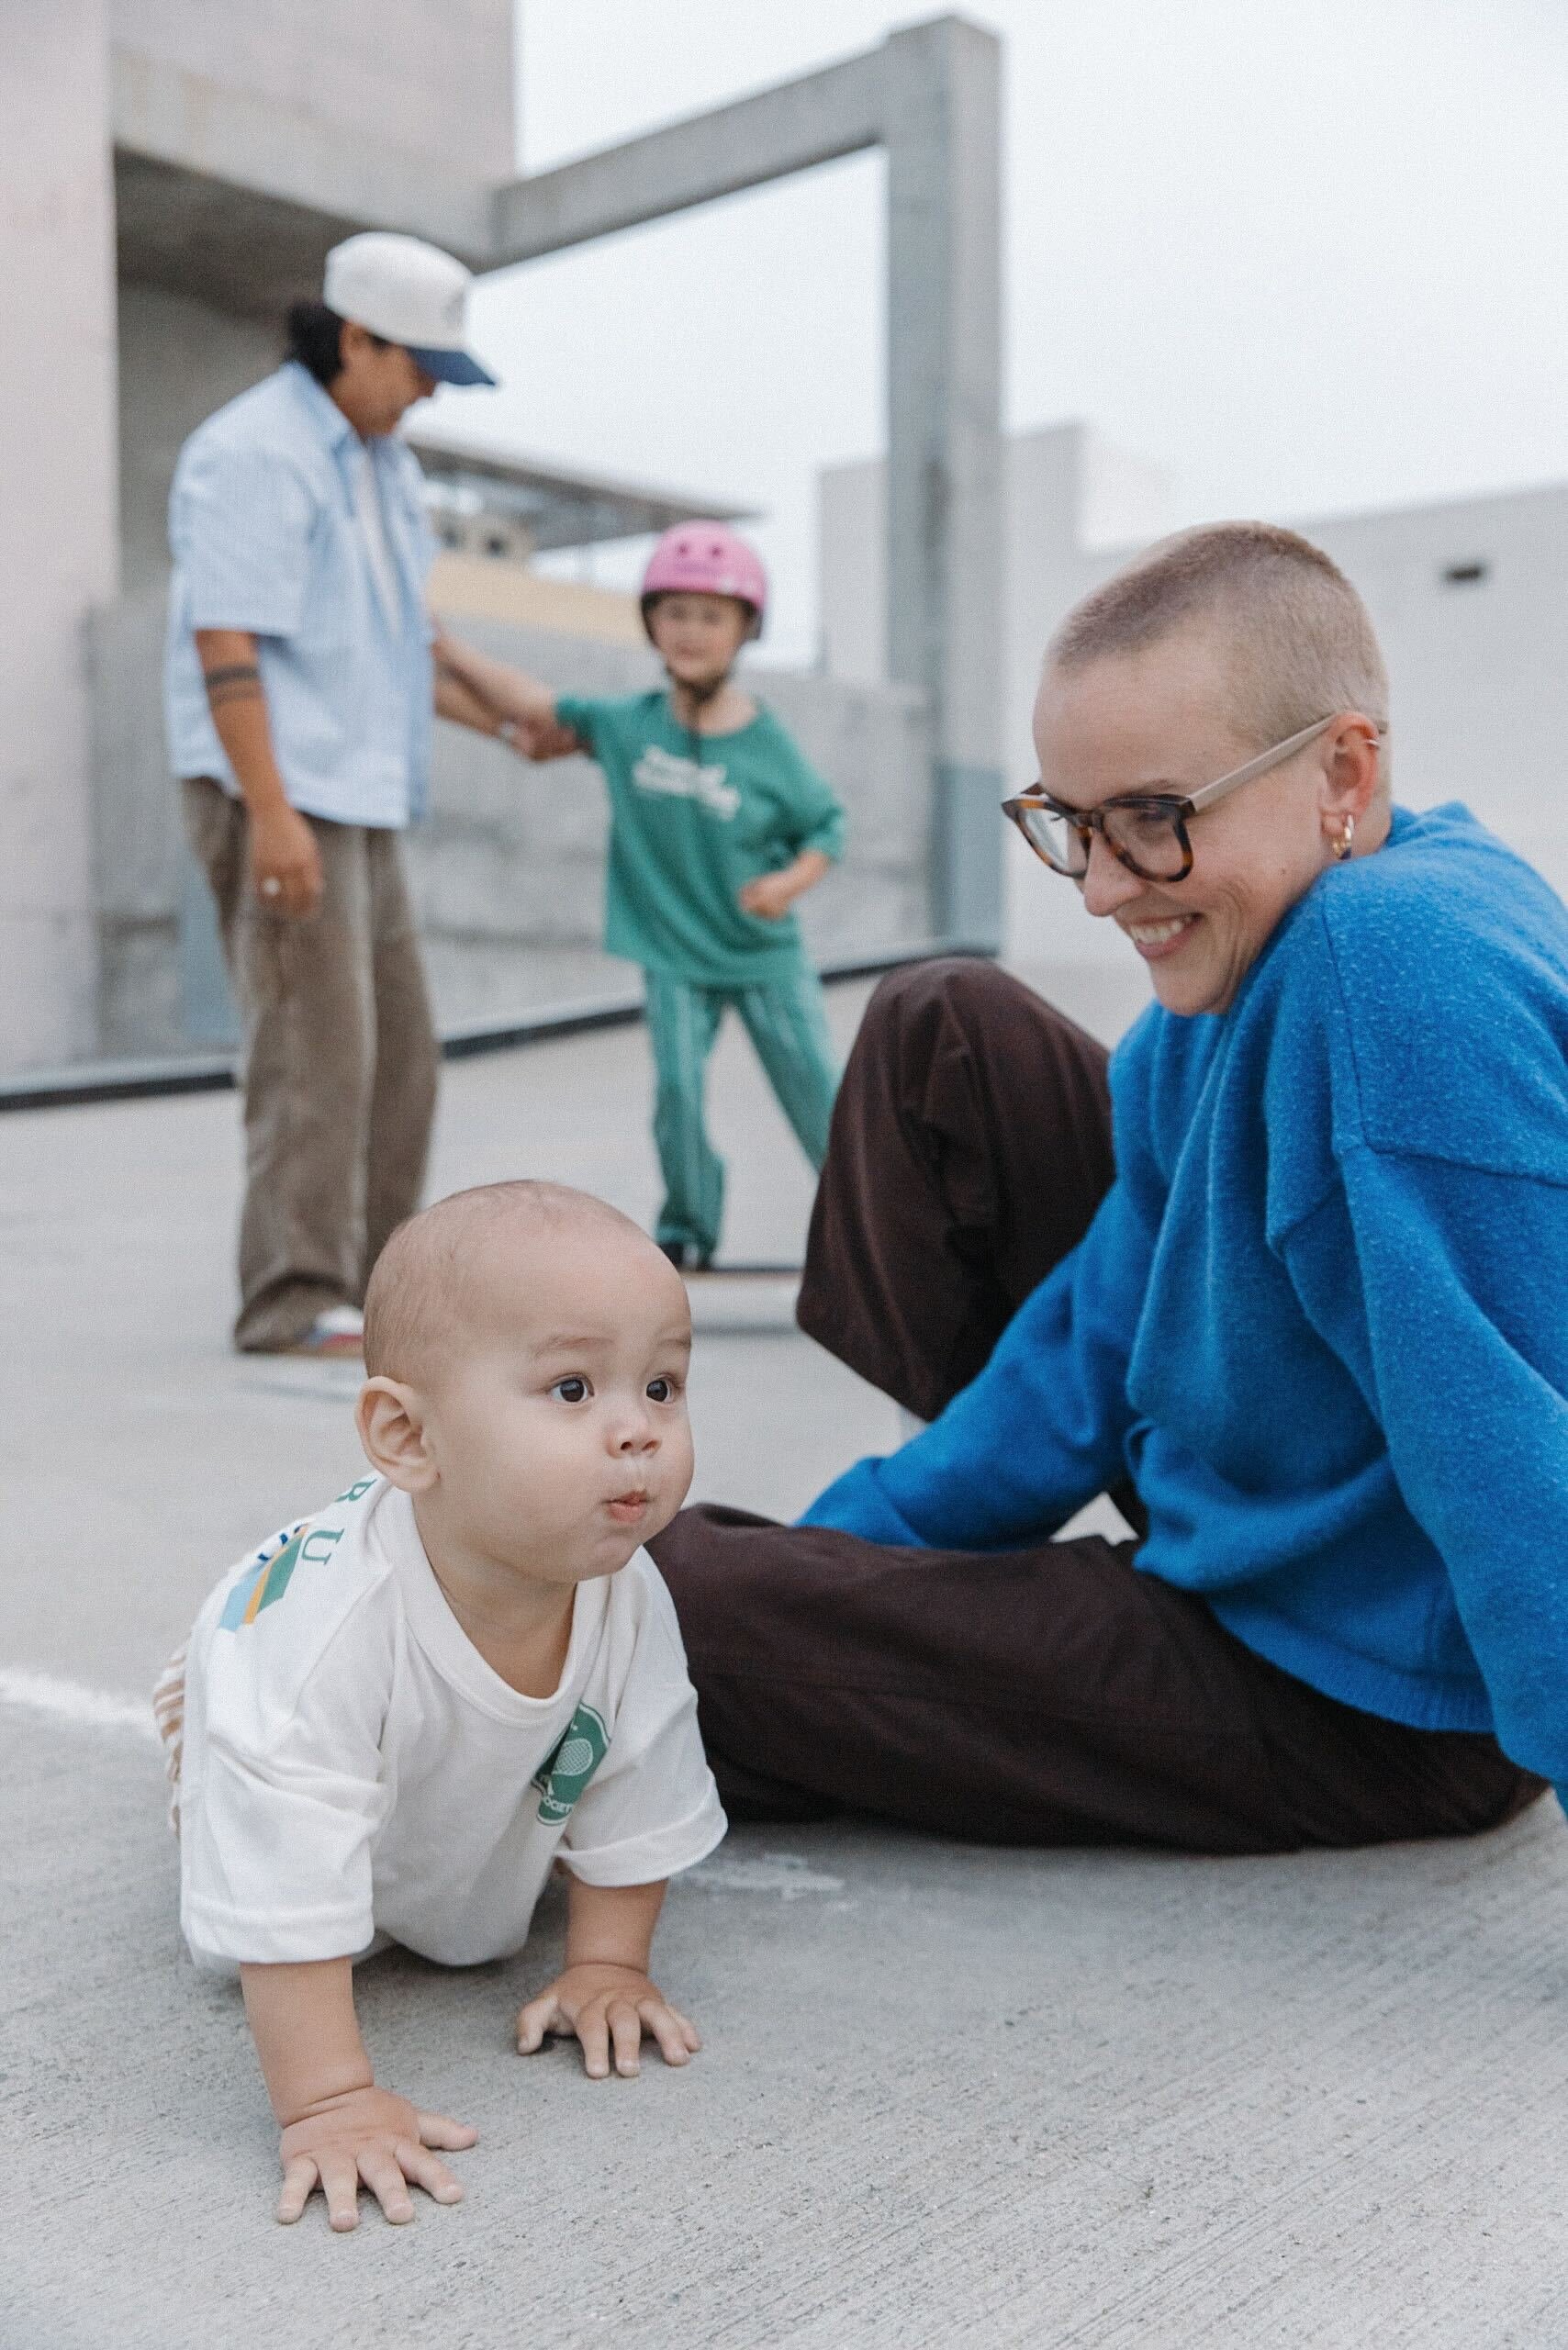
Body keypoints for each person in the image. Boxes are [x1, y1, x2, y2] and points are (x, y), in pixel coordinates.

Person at [650, 521, 1568, 1854]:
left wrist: (799, 1621)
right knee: (942, 1023)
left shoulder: (1392, 965)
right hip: (1264, 1522)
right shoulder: (1238, 972)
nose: (1097, 890)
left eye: (1152, 821)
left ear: (1344, 771)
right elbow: (1093, 1335)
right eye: (1070, 826)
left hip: (1384, 1700)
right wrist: (857, 1563)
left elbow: (1502, 1427)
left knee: (667, 1609)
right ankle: (874, 1634)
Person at [152, 1181, 724, 2233]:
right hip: (261, 1691)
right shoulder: (326, 1643)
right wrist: (326, 2100)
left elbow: (641, 1774)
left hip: (433, 1754)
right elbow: (283, 1874)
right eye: (569, 1388)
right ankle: (196, 1720)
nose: (636, 1430)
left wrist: (606, 1962)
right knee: (269, 1802)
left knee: (494, 1794)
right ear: (408, 1438)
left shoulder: (624, 1588)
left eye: (660, 1384)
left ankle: (457, 1791)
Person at [165, 231, 524, 1357]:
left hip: (360, 792)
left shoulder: (381, 464)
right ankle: (289, 1297)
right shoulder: (254, 453)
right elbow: (225, 637)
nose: (424, 393)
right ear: (355, 338)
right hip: (277, 786)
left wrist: (514, 719)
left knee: (399, 1053)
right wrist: (269, 812)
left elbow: (401, 643)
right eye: (416, 366)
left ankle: (377, 1290)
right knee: (313, 1054)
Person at [440, 525, 846, 1269]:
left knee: (821, 1095)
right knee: (677, 1095)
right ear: (651, 623)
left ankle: (868, 1220)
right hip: (672, 950)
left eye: (711, 616)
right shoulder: (630, 726)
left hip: (761, 953)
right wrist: (452, 652)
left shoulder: (765, 742)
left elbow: (826, 826)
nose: (691, 632)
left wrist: (788, 884)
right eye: (675, 614)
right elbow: (535, 706)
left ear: (745, 630)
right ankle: (689, 1226)